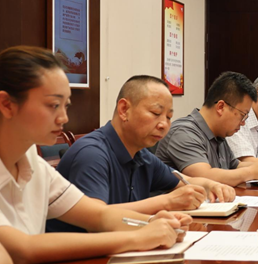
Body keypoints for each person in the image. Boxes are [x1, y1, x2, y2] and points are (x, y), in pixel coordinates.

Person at [0, 46, 189, 263]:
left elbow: (99, 215)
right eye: (53, 105)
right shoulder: (90, 151)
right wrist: (139, 237)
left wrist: (152, 223)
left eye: (65, 106)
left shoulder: (34, 165)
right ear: (7, 105)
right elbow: (23, 248)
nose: (64, 118)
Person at [48, 76, 237, 233]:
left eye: (169, 117)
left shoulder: (142, 155)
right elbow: (97, 218)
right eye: (155, 113)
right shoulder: (91, 154)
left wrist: (211, 185)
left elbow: (185, 181)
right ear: (124, 110)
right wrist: (167, 202)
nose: (164, 124)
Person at [156, 71, 258, 186]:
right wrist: (252, 172)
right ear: (221, 107)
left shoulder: (219, 133)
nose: (243, 123)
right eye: (243, 115)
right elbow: (204, 176)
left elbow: (236, 166)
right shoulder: (184, 132)